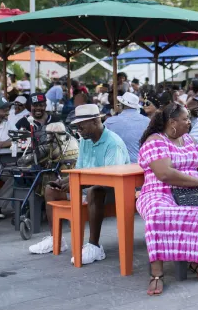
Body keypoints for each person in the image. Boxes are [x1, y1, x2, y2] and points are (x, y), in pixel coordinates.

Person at [136, 103, 198, 295]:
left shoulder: (188, 140)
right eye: (186, 119)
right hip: (160, 192)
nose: (190, 122)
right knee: (158, 214)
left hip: (190, 191)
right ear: (173, 122)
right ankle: (157, 273)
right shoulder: (155, 141)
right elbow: (165, 174)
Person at [30, 104, 130, 261]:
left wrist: (79, 184)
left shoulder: (113, 143)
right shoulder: (85, 140)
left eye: (81, 125)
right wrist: (66, 181)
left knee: (94, 191)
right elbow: (80, 169)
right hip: (87, 186)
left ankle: (94, 246)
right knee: (50, 188)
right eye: (76, 126)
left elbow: (111, 179)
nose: (78, 129)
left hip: (113, 191)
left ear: (95, 121)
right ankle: (55, 238)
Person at [103, 92, 150, 162]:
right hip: (141, 165)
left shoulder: (109, 122)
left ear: (122, 105)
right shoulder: (148, 121)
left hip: (117, 166)